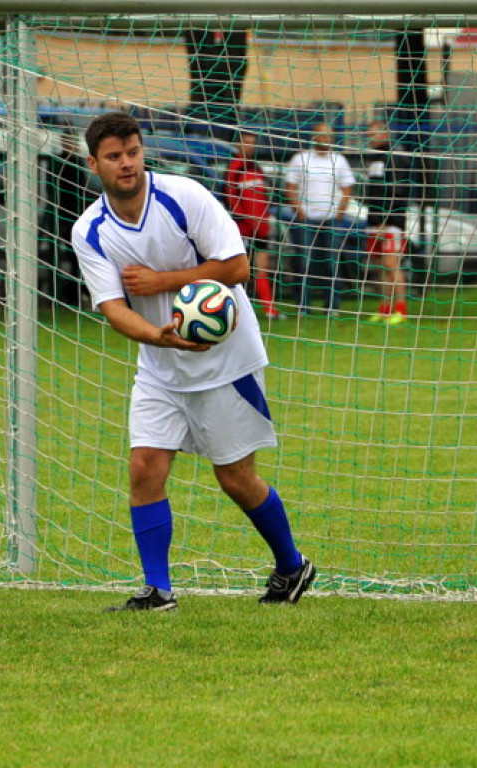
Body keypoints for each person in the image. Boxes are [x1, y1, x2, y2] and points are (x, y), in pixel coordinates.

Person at [71, 112, 316, 611]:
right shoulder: (90, 231)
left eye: (133, 152)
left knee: (235, 479)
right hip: (160, 364)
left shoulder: (184, 197)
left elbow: (238, 267)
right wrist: (160, 339)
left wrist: (162, 282)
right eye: (115, 157)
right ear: (94, 162)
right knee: (144, 467)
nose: (127, 164)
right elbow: (115, 309)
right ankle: (158, 592)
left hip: (226, 363)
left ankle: (292, 566)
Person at [284, 122, 355, 315]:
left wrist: (339, 212)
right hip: (306, 219)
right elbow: (290, 186)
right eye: (321, 135)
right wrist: (299, 211)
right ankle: (303, 307)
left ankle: (332, 307)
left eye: (328, 135)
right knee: (304, 263)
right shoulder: (301, 159)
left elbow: (347, 188)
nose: (325, 139)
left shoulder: (339, 160)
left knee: (332, 263)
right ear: (314, 137)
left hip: (331, 219)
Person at [224, 129, 283, 320]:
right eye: (246, 143)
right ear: (238, 145)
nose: (250, 147)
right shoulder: (234, 168)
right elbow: (231, 199)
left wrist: (264, 220)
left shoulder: (257, 168)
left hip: (262, 228)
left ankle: (269, 309)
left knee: (263, 269)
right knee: (240, 271)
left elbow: (264, 198)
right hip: (244, 228)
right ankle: (234, 311)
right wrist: (247, 222)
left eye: (253, 143)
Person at [362, 119, 412, 325]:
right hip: (374, 221)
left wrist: (386, 220)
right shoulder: (374, 158)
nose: (369, 137)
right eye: (368, 132)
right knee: (381, 267)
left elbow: (397, 192)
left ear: (385, 134)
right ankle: (385, 309)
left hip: (390, 222)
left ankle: (401, 309)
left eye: (374, 132)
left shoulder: (395, 157)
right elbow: (373, 192)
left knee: (392, 264)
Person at [45, 130, 92, 307]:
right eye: (67, 141)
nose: (69, 144)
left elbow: (83, 190)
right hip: (64, 218)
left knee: (78, 259)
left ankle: (76, 294)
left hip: (77, 216)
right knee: (72, 259)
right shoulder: (58, 163)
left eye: (71, 140)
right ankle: (73, 294)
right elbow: (54, 190)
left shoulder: (79, 163)